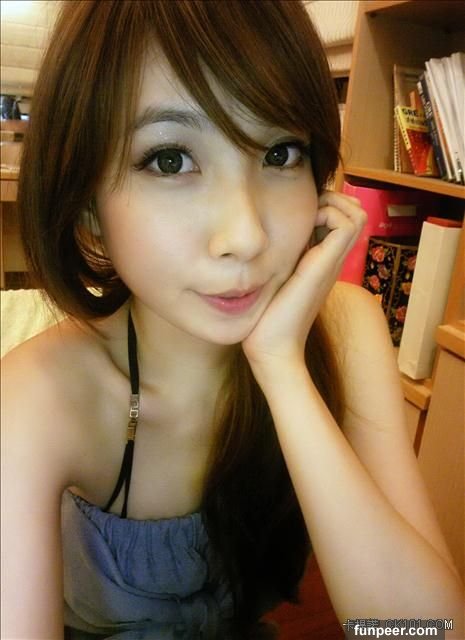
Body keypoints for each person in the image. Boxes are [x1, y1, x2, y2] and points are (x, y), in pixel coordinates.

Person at [1, 1, 463, 639]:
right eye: (170, 160)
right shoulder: (35, 396)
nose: (245, 236)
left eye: (280, 153)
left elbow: (428, 632)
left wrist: (281, 367)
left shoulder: (347, 329)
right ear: (87, 208)